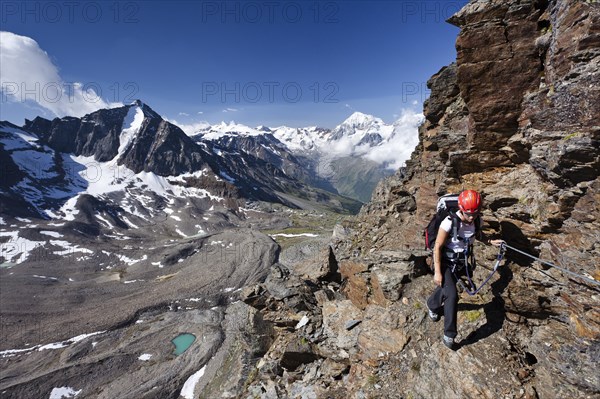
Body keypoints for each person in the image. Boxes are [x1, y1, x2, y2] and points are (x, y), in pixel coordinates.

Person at [426, 190, 504, 349]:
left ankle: (432, 304)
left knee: (446, 289)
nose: (472, 217)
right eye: (469, 213)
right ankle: (450, 334)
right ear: (461, 208)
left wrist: (490, 241)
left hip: (461, 262)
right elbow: (438, 247)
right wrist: (438, 272)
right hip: (446, 261)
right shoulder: (449, 222)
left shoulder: (477, 221)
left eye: (475, 213)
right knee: (452, 295)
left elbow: (476, 235)